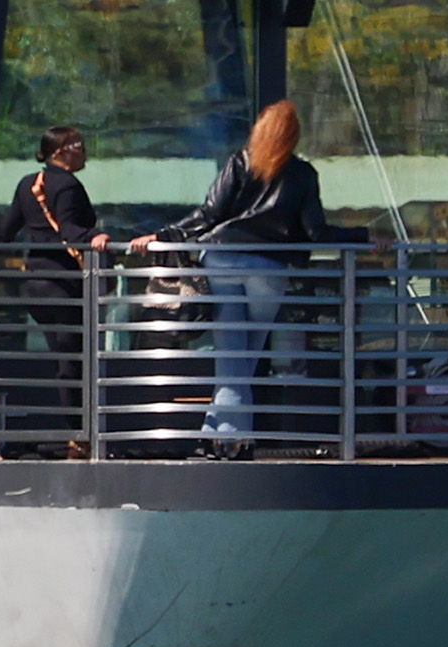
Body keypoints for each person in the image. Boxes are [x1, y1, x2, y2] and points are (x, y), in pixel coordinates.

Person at [134, 99, 326, 456]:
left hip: (222, 261)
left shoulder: (241, 162)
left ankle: (223, 438)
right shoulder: (303, 174)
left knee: (234, 357)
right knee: (241, 358)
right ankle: (227, 439)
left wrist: (163, 234)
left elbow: (208, 214)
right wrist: (364, 238)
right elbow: (316, 233)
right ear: (294, 135)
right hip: (269, 268)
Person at [0, 125, 109, 456]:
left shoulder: (29, 184)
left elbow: (5, 231)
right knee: (74, 361)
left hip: (34, 284)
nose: (85, 151)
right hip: (62, 284)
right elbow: (69, 230)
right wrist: (95, 235)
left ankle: (76, 432)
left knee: (62, 358)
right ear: (61, 151)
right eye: (79, 145)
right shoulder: (67, 185)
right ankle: (79, 435)